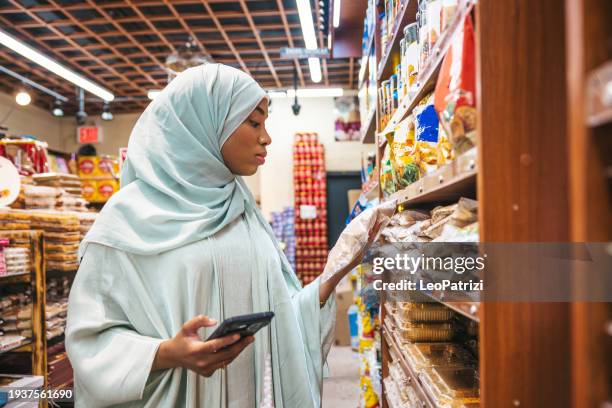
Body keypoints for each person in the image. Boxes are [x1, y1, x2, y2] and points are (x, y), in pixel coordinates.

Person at [65, 64, 371, 407]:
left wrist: (334, 272)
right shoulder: (125, 223)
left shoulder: (243, 212)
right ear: (202, 126)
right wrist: (167, 353)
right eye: (254, 123)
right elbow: (89, 340)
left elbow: (282, 318)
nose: (266, 137)